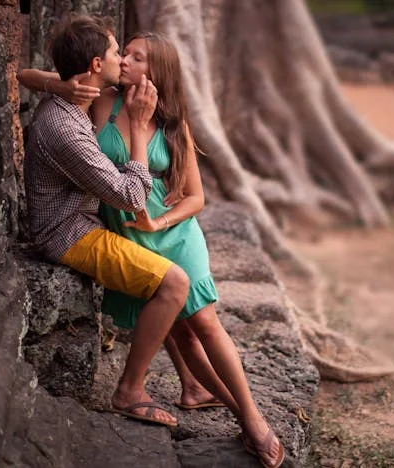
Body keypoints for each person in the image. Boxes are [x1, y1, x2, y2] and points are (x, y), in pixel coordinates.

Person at [18, 31, 285, 468]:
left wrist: (159, 221)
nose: (123, 60)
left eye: (136, 57)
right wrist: (60, 84)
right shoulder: (103, 100)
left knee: (204, 322)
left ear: (156, 71)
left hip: (170, 229)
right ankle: (197, 392)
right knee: (178, 328)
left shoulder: (172, 122)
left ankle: (251, 416)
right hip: (127, 224)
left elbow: (195, 197)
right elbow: (25, 75)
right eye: (121, 53)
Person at [22, 14, 188, 428]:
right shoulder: (65, 128)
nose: (123, 60)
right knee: (174, 284)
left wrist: (55, 83)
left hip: (85, 219)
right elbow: (132, 197)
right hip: (68, 233)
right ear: (96, 65)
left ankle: (192, 383)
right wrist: (138, 127)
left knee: (164, 270)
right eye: (117, 52)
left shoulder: (76, 96)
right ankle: (129, 390)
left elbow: (29, 75)